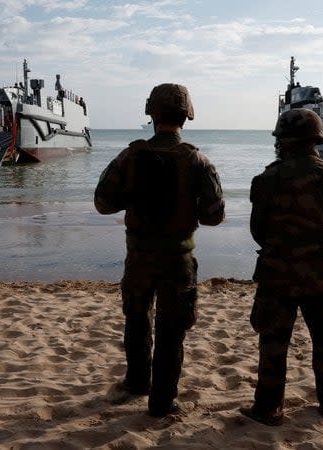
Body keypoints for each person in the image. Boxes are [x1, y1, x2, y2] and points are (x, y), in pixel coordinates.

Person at [94, 83, 225, 417]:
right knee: (172, 331)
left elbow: (103, 203)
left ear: (152, 114)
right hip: (179, 260)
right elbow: (214, 216)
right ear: (186, 116)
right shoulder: (198, 160)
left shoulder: (131, 156)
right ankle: (163, 402)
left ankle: (137, 383)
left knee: (137, 321)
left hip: (138, 258)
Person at [241, 108, 323, 426]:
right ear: (316, 138)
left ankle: (268, 408)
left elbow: (257, 230)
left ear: (282, 140)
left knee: (273, 343)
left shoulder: (266, 180)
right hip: (321, 274)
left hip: (277, 275)